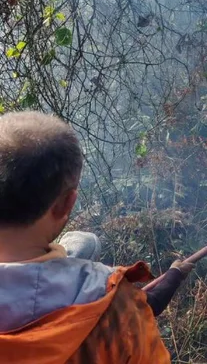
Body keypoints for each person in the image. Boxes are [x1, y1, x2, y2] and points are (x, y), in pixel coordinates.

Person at [0, 111, 192, 363]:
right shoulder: (114, 304)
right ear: (67, 204)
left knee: (84, 243)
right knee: (86, 243)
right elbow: (132, 325)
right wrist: (173, 275)